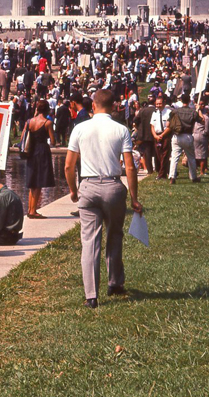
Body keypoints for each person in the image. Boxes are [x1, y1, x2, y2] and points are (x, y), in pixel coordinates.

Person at [64, 89, 143, 309]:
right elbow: (129, 166)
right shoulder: (121, 129)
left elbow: (69, 165)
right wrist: (135, 198)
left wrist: (73, 190)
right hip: (112, 185)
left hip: (88, 185)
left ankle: (91, 295)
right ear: (114, 106)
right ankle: (115, 282)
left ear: (94, 106)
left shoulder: (80, 128)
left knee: (89, 241)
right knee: (114, 234)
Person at [23, 100, 56, 218]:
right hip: (42, 150)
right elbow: (53, 141)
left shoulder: (29, 122)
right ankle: (33, 210)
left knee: (32, 181)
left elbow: (23, 137)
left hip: (31, 151)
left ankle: (30, 209)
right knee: (39, 181)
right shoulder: (47, 123)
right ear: (47, 109)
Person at [167, 93, 201, 184]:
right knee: (191, 158)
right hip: (188, 136)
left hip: (176, 136)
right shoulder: (193, 112)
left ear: (181, 101)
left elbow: (168, 124)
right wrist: (199, 110)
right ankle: (193, 177)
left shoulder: (175, 111)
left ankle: (172, 177)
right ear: (189, 101)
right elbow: (202, 121)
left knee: (174, 157)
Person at [150, 95, 172, 180]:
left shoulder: (169, 112)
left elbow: (170, 127)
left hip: (165, 135)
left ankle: (162, 175)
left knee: (165, 155)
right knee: (159, 155)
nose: (158, 105)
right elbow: (152, 126)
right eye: (157, 104)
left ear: (164, 103)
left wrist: (162, 135)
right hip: (157, 136)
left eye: (160, 104)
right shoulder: (154, 113)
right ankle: (167, 170)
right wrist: (155, 136)